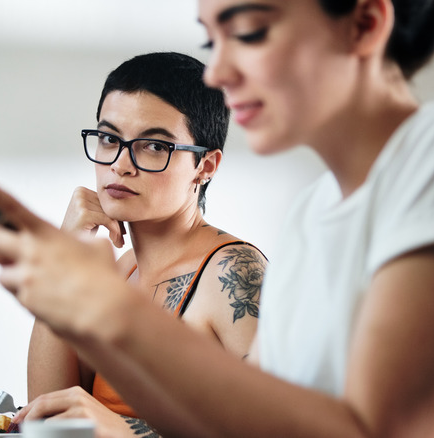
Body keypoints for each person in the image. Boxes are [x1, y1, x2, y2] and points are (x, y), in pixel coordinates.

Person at [0, 0, 434, 436]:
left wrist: (108, 314)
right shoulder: (313, 215)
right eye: (213, 41)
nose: (216, 73)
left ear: (365, 23)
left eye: (248, 32)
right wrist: (69, 302)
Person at [17, 52, 267, 436]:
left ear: (206, 166)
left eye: (154, 146)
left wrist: (127, 433)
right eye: (108, 138)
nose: (121, 164)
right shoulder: (121, 271)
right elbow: (50, 415)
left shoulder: (232, 272)